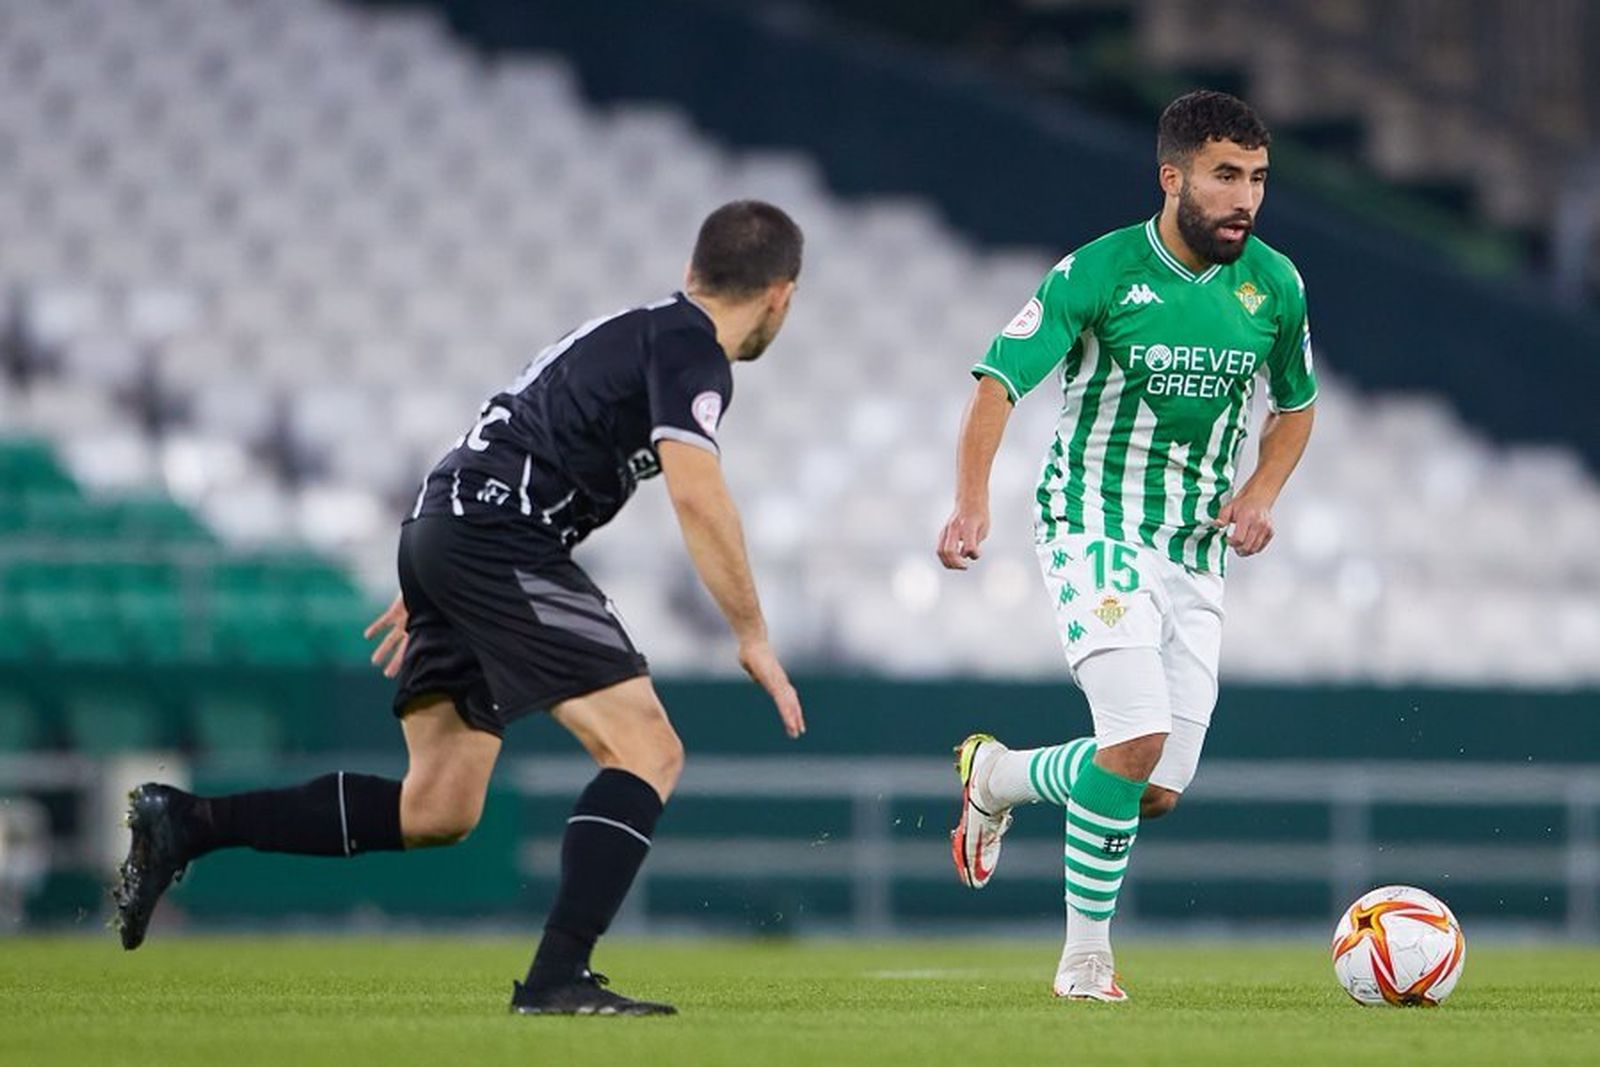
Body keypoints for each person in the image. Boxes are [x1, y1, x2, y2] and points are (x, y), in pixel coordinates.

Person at [114, 199, 808, 1017]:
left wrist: (439, 566)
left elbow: (514, 430)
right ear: (780, 297)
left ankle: (189, 821)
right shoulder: (691, 347)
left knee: (438, 804)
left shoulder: (636, 330)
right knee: (648, 748)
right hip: (496, 535)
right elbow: (697, 493)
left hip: (450, 524)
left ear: (695, 269)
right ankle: (557, 977)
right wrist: (753, 635)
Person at [939, 91, 1317, 1001]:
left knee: (1152, 785)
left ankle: (998, 775)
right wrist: (970, 504)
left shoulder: (1277, 286)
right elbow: (998, 383)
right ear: (1173, 176)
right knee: (1136, 733)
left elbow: (1296, 406)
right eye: (1227, 176)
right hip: (1093, 524)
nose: (1246, 199)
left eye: (1259, 179)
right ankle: (1085, 962)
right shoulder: (1100, 272)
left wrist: (1260, 491)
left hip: (1195, 549)